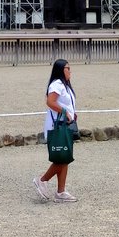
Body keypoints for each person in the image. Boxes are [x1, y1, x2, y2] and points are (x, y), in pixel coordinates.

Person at [33, 59, 78, 203]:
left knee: (65, 157)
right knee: (61, 157)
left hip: (65, 125)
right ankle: (42, 179)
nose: (70, 71)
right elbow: (50, 102)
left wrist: (72, 113)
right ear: (60, 70)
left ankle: (61, 191)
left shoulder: (65, 86)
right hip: (57, 126)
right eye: (67, 68)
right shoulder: (57, 84)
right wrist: (65, 112)